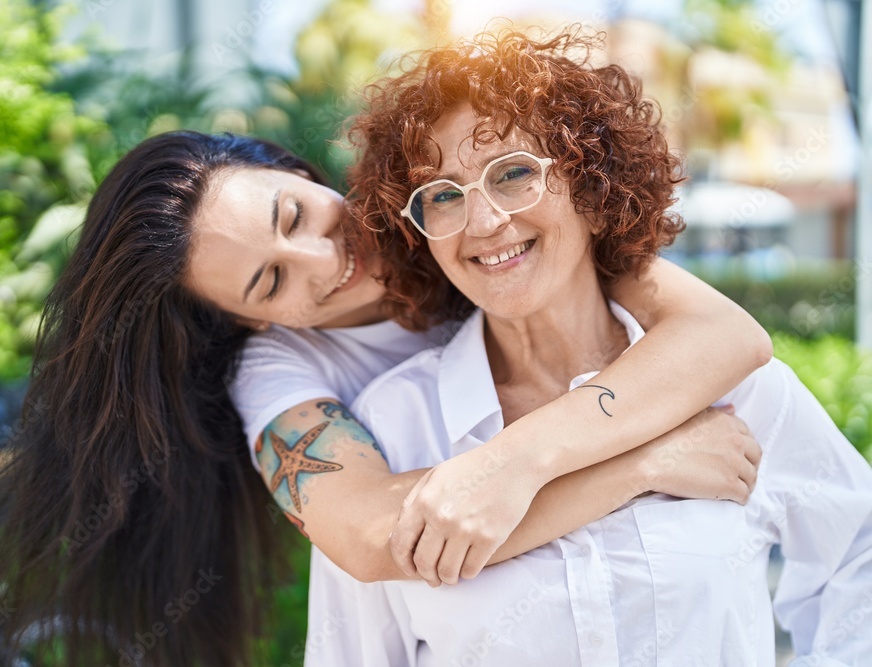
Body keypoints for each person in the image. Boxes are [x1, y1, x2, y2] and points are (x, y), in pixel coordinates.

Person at [0, 126, 769, 665]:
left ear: (303, 175)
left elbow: (724, 337)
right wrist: (643, 463)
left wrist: (527, 457)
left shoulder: (452, 206)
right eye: (271, 279)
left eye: (296, 213)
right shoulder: (279, 371)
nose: (322, 258)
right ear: (244, 320)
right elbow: (377, 533)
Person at [304, 27, 872, 666]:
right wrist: (645, 465)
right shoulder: (394, 424)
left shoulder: (736, 391)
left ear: (592, 191)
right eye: (443, 195)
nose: (485, 222)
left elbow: (857, 553)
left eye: (513, 173)